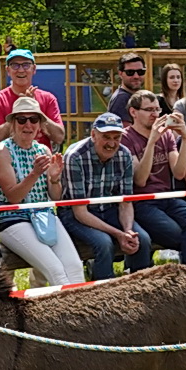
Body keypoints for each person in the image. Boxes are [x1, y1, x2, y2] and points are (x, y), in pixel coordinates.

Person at [0, 96, 84, 286]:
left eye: (34, 119)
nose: (28, 125)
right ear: (12, 124)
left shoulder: (43, 149)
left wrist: (54, 178)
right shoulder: (3, 151)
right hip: (14, 219)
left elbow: (55, 197)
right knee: (56, 270)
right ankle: (65, 313)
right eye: (22, 119)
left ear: (41, 125)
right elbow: (13, 197)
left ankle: (79, 312)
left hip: (44, 217)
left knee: (74, 267)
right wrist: (35, 173)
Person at [60, 113, 152, 282]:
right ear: (93, 135)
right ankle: (103, 295)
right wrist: (118, 234)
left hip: (109, 209)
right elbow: (79, 211)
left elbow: (125, 202)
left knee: (143, 239)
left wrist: (128, 230)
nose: (111, 143)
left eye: (116, 138)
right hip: (76, 215)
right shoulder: (74, 156)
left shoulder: (124, 155)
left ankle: (141, 290)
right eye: (106, 137)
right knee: (103, 243)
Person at [121, 89, 186, 268]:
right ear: (133, 112)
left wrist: (184, 137)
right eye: (149, 110)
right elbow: (140, 180)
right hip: (142, 202)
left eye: (157, 110)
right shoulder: (126, 138)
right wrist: (151, 141)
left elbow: (179, 173)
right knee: (177, 233)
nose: (155, 115)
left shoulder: (167, 134)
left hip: (167, 198)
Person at [0, 48, 63, 145]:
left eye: (26, 65)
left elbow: (59, 137)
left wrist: (35, 109)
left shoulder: (48, 98)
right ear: (8, 70)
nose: (21, 70)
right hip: (8, 158)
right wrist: (19, 109)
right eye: (15, 66)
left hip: (42, 158)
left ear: (34, 69)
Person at [106, 52, 147, 119]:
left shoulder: (133, 97)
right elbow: (125, 129)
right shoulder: (121, 99)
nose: (136, 76)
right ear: (120, 74)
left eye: (140, 72)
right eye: (130, 72)